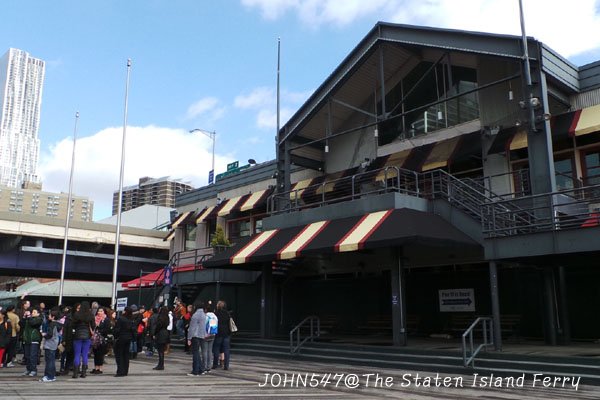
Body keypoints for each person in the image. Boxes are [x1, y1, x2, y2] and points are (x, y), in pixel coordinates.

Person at [71, 301, 95, 378]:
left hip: (77, 335)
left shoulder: (77, 314)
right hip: (87, 335)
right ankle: (83, 373)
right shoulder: (90, 315)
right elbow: (93, 326)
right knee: (85, 354)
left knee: (77, 354)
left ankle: (75, 373)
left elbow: (73, 325)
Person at [40, 308, 62, 382]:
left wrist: (44, 335)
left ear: (53, 317)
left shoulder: (52, 324)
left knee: (49, 361)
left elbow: (49, 335)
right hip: (55, 343)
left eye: (50, 315)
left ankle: (49, 376)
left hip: (49, 344)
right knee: (52, 361)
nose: (48, 316)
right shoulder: (58, 324)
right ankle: (52, 375)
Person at [114, 306, 135, 377]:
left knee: (119, 355)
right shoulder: (131, 319)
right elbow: (133, 330)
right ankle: (125, 371)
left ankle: (120, 371)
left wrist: (115, 336)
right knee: (126, 355)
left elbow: (117, 329)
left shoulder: (121, 319)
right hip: (128, 338)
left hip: (121, 338)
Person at [21, 307, 42, 377]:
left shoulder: (39, 319)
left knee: (33, 356)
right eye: (32, 312)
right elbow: (21, 324)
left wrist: (29, 317)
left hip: (34, 339)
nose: (32, 313)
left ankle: (33, 370)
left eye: (34, 312)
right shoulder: (28, 319)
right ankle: (28, 369)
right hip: (27, 339)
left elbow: (33, 323)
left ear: (38, 314)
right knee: (27, 356)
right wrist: (24, 317)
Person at [187, 301, 206, 376]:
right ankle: (201, 369)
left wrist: (189, 338)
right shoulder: (204, 315)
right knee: (198, 353)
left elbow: (192, 328)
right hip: (202, 335)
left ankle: (195, 370)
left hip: (195, 335)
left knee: (195, 353)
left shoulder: (195, 315)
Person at [90, 307, 111, 374]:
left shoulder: (106, 319)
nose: (99, 312)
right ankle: (96, 367)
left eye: (101, 311)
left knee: (100, 354)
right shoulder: (95, 319)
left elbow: (107, 330)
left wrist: (99, 327)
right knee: (95, 353)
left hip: (102, 339)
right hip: (95, 339)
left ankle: (100, 368)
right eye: (99, 311)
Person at [213, 300, 232, 371]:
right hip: (226, 333)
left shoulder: (215, 314)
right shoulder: (227, 314)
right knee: (226, 349)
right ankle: (226, 365)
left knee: (216, 349)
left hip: (218, 333)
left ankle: (215, 364)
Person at [58, 305, 74, 376]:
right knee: (65, 354)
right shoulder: (68, 318)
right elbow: (64, 329)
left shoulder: (68, 318)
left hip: (69, 338)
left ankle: (66, 367)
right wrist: (63, 339)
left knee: (67, 354)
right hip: (67, 338)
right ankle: (64, 367)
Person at [204, 303, 218, 373]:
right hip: (213, 335)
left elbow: (203, 326)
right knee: (210, 351)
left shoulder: (206, 316)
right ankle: (209, 366)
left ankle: (205, 366)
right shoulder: (215, 317)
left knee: (205, 351)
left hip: (206, 335)